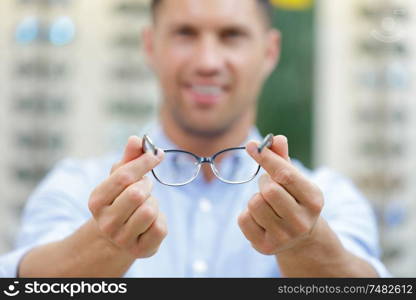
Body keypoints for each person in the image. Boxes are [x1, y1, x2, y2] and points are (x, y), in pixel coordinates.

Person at [0, 0, 389, 277]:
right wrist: (104, 244)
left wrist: (305, 244)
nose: (207, 62)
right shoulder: (77, 186)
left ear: (269, 52)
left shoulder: (327, 200)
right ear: (150, 46)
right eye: (185, 33)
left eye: (231, 35)